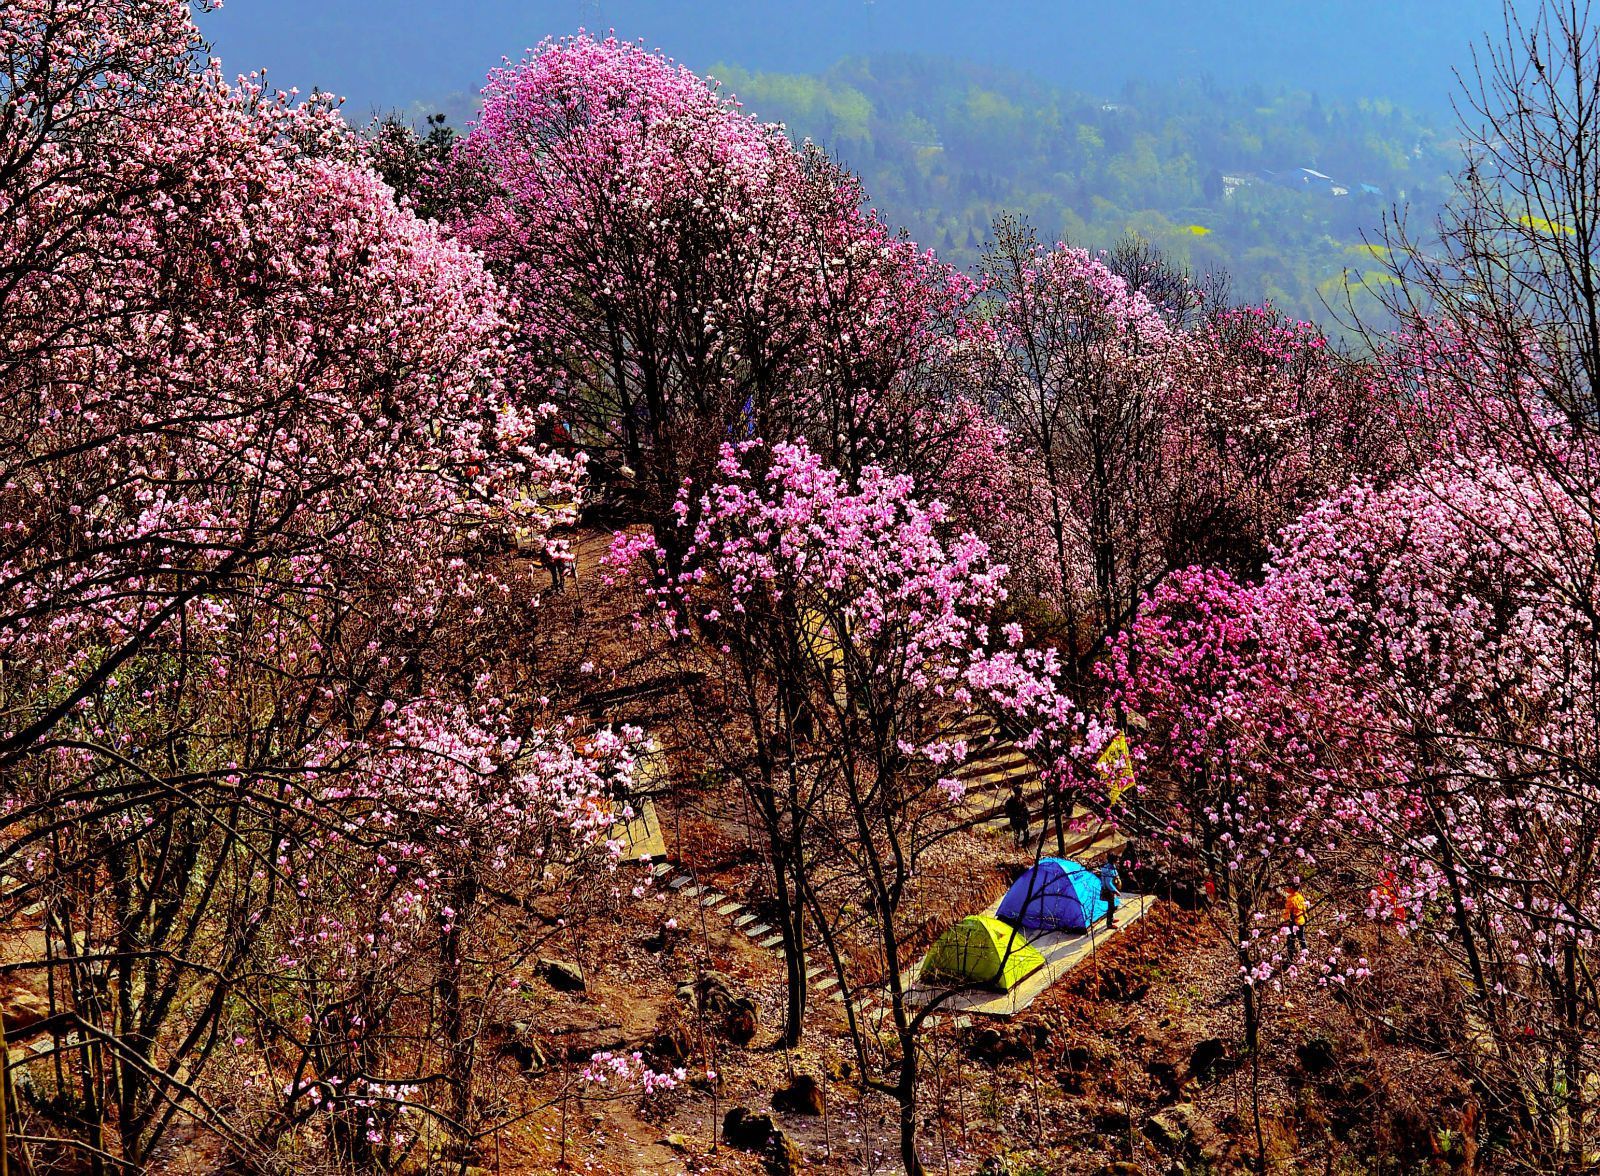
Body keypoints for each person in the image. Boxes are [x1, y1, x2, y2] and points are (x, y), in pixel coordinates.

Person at [1284, 882, 1309, 955]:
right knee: (1301, 938)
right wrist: (1306, 917)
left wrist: (1285, 922)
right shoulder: (1300, 897)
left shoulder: (1291, 899)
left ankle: (1290, 954)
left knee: (1290, 938)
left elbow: (1288, 912)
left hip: (1293, 922)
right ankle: (1305, 952)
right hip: (1301, 921)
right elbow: (1304, 909)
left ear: (1292, 888)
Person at [1098, 859, 1122, 931]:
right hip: (1109, 891)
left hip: (1109, 890)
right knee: (1111, 907)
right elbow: (1108, 883)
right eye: (1116, 860)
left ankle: (1112, 918)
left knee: (1112, 905)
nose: (1118, 861)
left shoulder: (1107, 867)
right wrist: (1115, 891)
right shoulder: (1109, 870)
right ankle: (1109, 924)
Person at [1004, 782, 1029, 848]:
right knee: (1016, 833)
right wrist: (1013, 816)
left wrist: (1028, 816)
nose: (1019, 795)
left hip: (1023, 819)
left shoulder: (1023, 799)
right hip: (1015, 820)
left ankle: (1025, 845)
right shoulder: (1010, 801)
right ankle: (1016, 846)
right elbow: (1007, 811)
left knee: (1026, 832)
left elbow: (1026, 808)